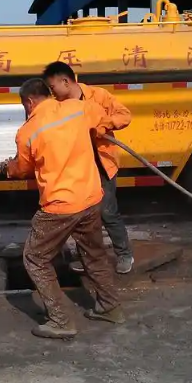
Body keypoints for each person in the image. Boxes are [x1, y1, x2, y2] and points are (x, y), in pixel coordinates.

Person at [0, 78, 124, 339]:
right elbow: (106, 117)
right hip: (90, 198)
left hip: (60, 206)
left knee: (35, 258)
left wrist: (8, 168)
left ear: (29, 101)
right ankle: (110, 307)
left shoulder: (28, 131)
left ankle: (60, 321)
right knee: (94, 254)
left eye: (24, 105)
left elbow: (22, 169)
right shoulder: (77, 108)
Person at [42, 61, 134, 275]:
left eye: (53, 87)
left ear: (65, 82)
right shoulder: (57, 106)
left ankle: (124, 254)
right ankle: (87, 258)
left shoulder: (98, 96)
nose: (52, 93)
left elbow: (124, 115)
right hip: (77, 168)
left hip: (102, 165)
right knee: (81, 216)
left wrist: (104, 124)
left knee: (108, 212)